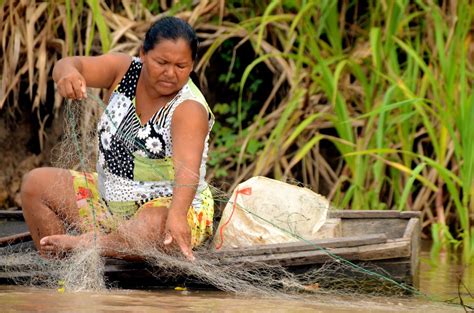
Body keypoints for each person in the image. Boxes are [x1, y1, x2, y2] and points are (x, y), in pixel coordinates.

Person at [20, 16, 214, 261]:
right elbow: (69, 63)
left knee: (154, 223)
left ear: (192, 64)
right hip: (109, 203)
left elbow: (188, 171)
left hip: (170, 209)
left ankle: (85, 245)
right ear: (143, 53)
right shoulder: (122, 70)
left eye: (181, 66)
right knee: (35, 185)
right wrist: (67, 74)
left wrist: (176, 217)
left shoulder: (188, 107)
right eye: (161, 62)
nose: (170, 73)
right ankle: (64, 272)